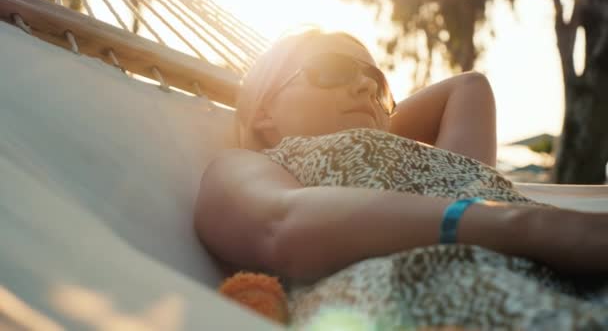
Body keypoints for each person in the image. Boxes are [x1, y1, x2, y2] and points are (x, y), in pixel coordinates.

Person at [194, 28, 608, 329]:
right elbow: (281, 225)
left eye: (377, 82)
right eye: (333, 69)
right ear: (264, 109)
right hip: (435, 298)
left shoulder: (447, 166)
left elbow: (469, 87)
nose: (362, 84)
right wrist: (528, 225)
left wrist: (377, 122)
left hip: (570, 276)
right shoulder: (252, 164)